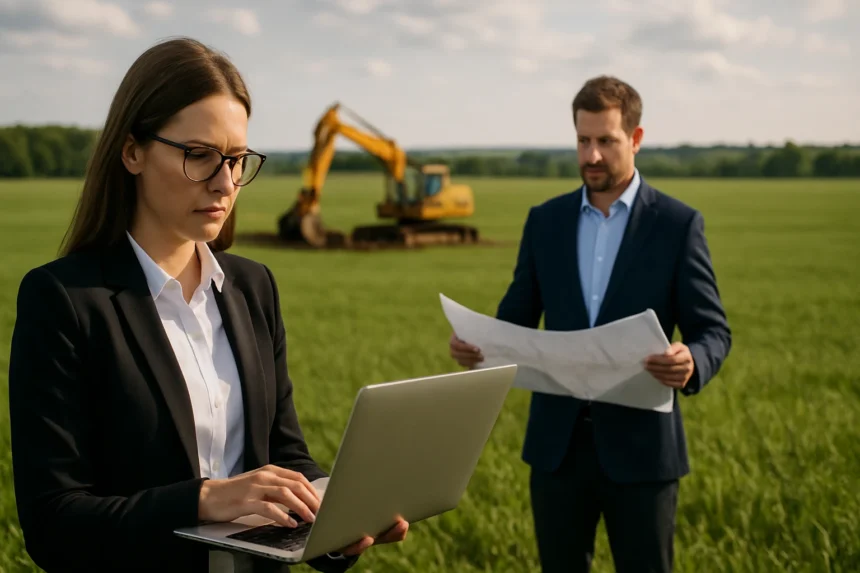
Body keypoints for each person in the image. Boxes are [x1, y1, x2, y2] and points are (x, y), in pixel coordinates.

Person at [8, 37, 408, 573]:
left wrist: (338, 521)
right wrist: (202, 499)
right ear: (132, 152)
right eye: (199, 156)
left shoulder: (253, 287)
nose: (225, 183)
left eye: (237, 160)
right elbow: (53, 524)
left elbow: (285, 456)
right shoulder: (64, 302)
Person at [449, 76, 731, 573]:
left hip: (644, 454)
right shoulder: (545, 221)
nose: (592, 155)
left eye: (606, 140)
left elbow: (713, 332)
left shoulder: (677, 225)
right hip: (556, 451)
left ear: (636, 139)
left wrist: (693, 359)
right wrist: (479, 345)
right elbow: (516, 319)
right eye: (583, 140)